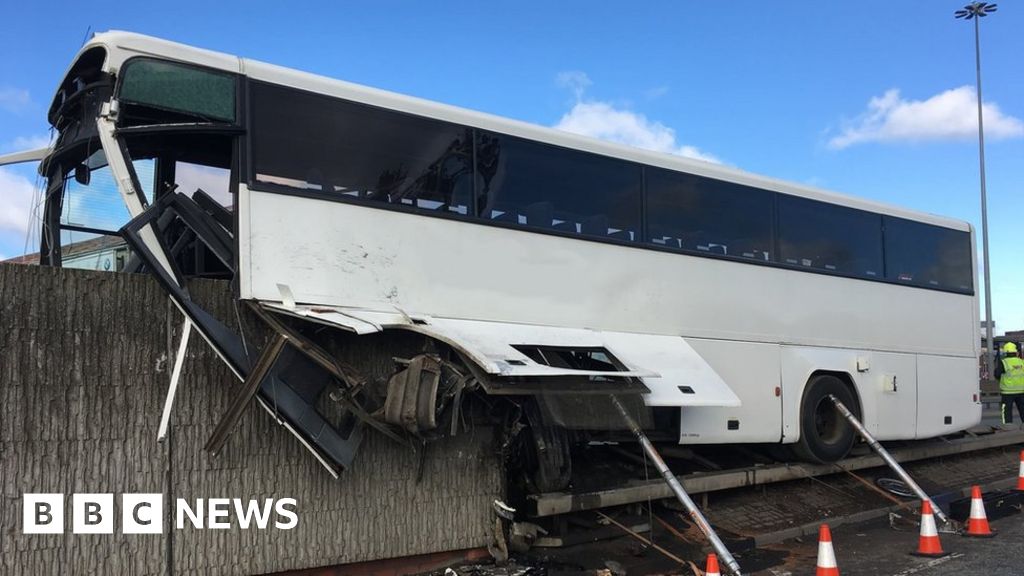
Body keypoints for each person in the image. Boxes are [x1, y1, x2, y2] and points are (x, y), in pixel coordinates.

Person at [996, 342, 1024, 426]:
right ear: (1016, 352)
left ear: (1005, 353)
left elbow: (997, 374)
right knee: (1023, 409)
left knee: (1007, 410)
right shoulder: (1021, 362)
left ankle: (1008, 427)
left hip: (1007, 392)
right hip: (1021, 391)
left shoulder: (1004, 362)